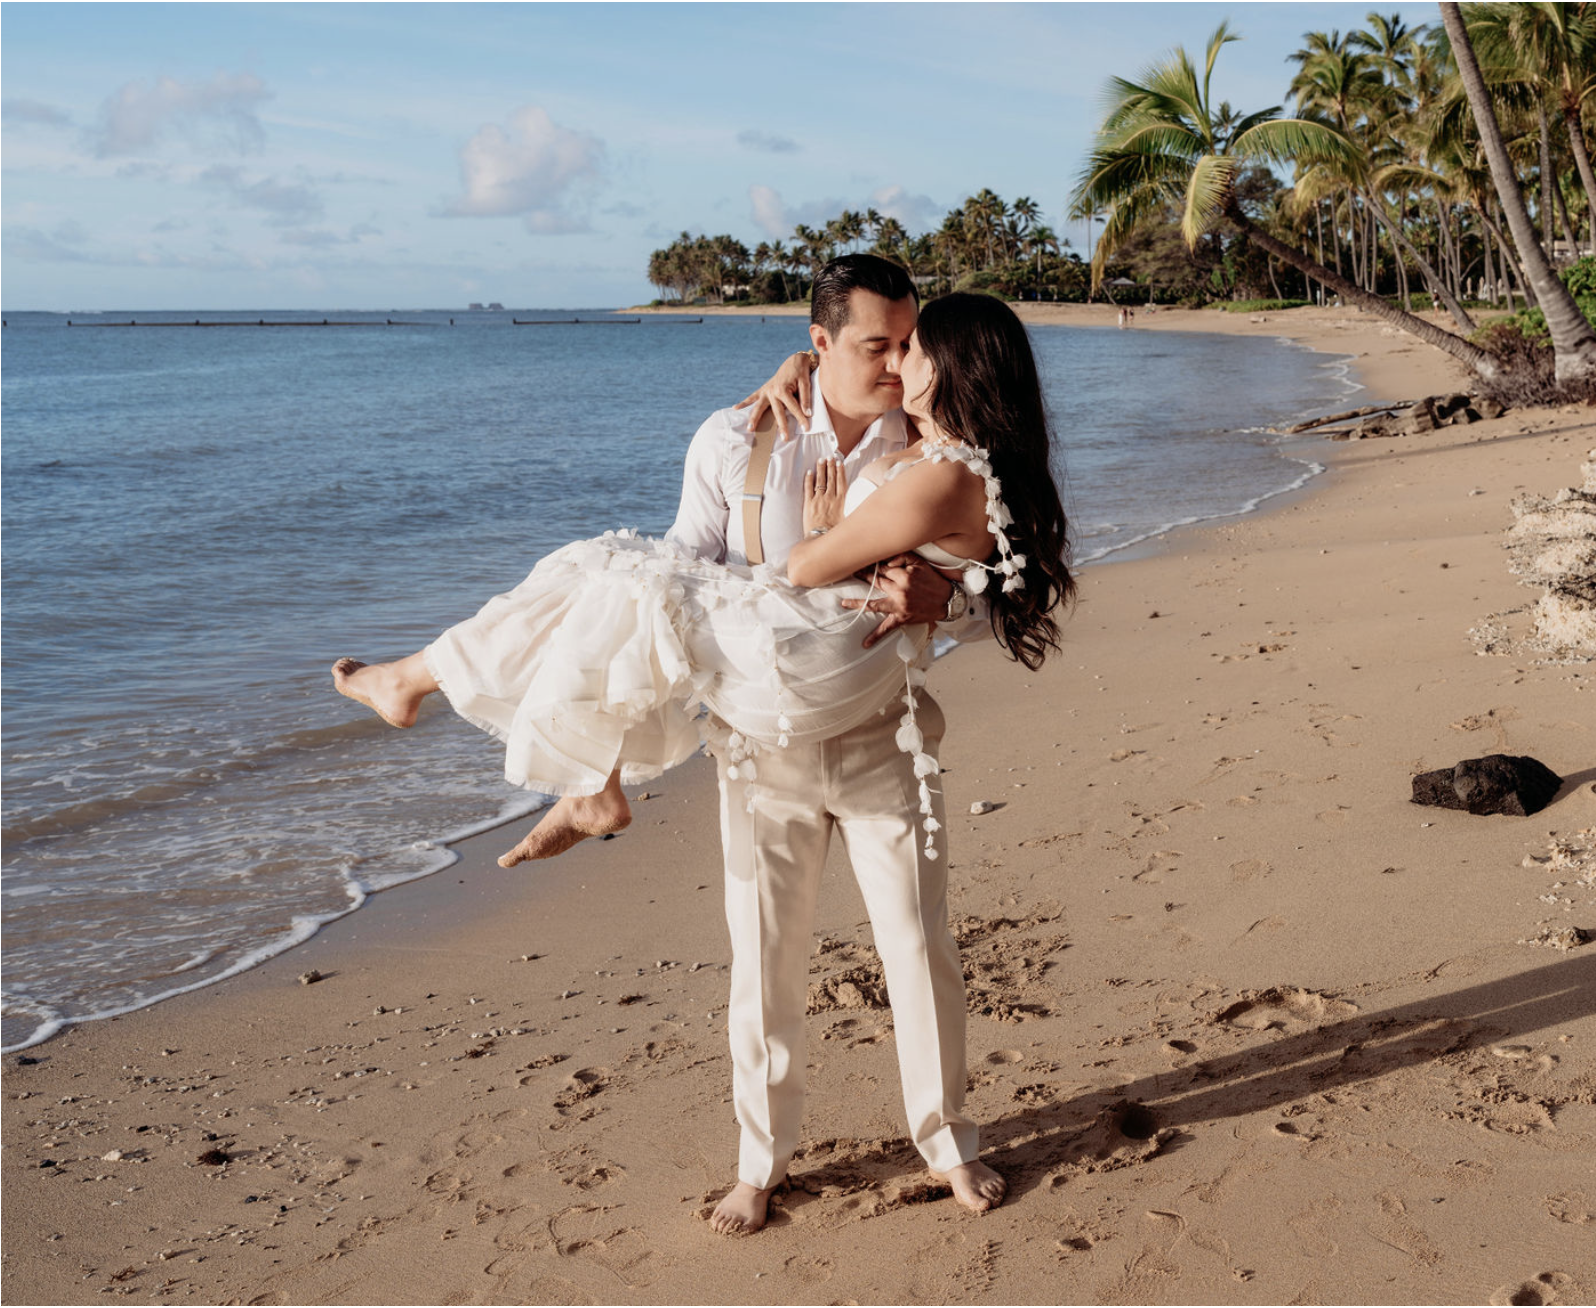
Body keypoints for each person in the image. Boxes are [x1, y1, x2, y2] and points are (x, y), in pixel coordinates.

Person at [332, 260, 1075, 1230]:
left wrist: (958, 598)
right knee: (761, 955)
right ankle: (759, 1163)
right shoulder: (739, 434)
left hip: (881, 730)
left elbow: (1008, 557)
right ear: (818, 345)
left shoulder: (927, 436)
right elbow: (688, 566)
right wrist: (788, 408)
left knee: (918, 945)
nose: (897, 364)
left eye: (909, 345)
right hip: (761, 736)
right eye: (876, 346)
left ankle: (948, 1143)